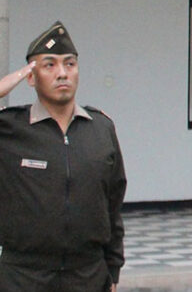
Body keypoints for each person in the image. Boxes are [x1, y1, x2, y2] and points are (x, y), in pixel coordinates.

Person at [0, 22, 128, 292]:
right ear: (31, 78)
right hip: (23, 276)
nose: (62, 74)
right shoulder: (10, 129)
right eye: (49, 65)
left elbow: (113, 204)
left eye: (69, 64)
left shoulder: (101, 129)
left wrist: (112, 270)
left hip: (88, 275)